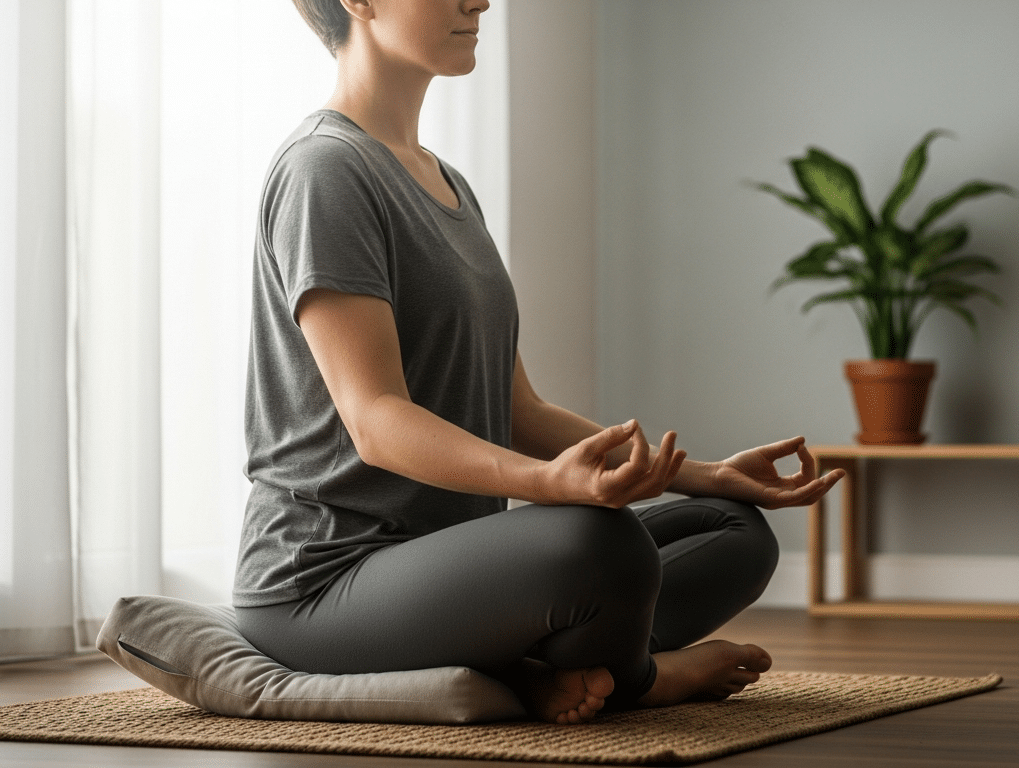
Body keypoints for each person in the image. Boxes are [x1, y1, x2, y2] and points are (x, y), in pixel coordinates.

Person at [232, 0, 846, 725]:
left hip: (446, 562)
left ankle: (535, 671)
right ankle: (640, 677)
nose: (481, 0)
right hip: (324, 582)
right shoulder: (325, 170)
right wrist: (550, 487)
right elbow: (376, 421)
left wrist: (705, 473)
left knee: (733, 530)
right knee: (600, 542)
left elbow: (519, 409)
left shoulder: (447, 181)